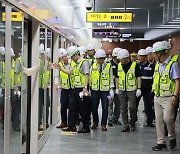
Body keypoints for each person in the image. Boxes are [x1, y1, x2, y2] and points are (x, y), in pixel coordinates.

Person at [152, 41, 180, 151]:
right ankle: (161, 142)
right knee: (158, 120)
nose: (153, 56)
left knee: (168, 119)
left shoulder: (173, 65)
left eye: (154, 53)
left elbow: (178, 81)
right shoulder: (157, 64)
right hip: (157, 96)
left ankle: (172, 137)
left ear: (159, 54)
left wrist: (175, 96)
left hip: (169, 97)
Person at [56, 46, 91, 133]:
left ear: (76, 55)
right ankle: (71, 126)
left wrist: (85, 88)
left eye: (71, 57)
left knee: (83, 108)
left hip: (82, 89)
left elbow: (87, 75)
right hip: (76, 88)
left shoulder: (84, 62)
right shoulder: (76, 64)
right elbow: (71, 72)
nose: (71, 59)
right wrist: (61, 69)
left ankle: (86, 127)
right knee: (72, 107)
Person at [115, 49, 141, 132]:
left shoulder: (135, 65)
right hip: (122, 90)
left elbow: (138, 77)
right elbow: (117, 77)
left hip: (132, 90)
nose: (121, 61)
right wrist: (117, 88)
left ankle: (132, 123)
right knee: (123, 108)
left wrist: (139, 88)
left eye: (122, 59)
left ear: (127, 58)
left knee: (132, 107)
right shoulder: (119, 65)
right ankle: (125, 125)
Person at [90, 49, 114, 131]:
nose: (98, 60)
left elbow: (111, 77)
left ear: (103, 58)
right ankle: (95, 122)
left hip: (105, 91)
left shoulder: (108, 66)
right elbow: (90, 77)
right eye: (97, 58)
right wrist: (89, 88)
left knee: (105, 107)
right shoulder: (92, 66)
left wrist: (111, 89)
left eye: (100, 58)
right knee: (94, 107)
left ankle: (104, 124)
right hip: (95, 90)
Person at [55, 48, 75, 128]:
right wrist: (56, 84)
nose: (65, 58)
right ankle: (63, 122)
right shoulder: (59, 65)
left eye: (66, 56)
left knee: (72, 106)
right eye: (63, 57)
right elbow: (56, 76)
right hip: (64, 89)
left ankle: (72, 123)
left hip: (73, 88)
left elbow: (71, 72)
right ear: (60, 58)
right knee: (63, 105)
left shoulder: (73, 63)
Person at [136, 49, 155, 127]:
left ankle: (149, 121)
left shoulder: (151, 66)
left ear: (145, 57)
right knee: (134, 105)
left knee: (148, 106)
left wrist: (152, 90)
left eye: (141, 56)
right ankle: (133, 119)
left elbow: (154, 78)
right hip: (138, 89)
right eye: (139, 56)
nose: (139, 57)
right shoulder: (136, 65)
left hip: (148, 90)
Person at [108, 48, 121, 126]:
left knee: (118, 104)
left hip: (118, 88)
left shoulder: (121, 65)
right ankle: (110, 119)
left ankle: (115, 119)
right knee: (109, 103)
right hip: (110, 89)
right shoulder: (109, 64)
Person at [13, 50, 23, 131]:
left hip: (23, 86)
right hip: (19, 86)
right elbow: (15, 73)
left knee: (20, 106)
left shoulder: (23, 61)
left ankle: (17, 123)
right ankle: (16, 125)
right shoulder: (19, 61)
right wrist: (16, 86)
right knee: (17, 107)